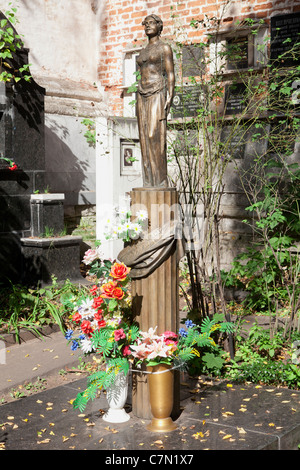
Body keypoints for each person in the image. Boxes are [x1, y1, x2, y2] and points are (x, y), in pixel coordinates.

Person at [136, 14, 175, 188]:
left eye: (151, 23)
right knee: (143, 137)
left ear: (159, 26)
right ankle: (148, 182)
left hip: (157, 91)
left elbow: (170, 74)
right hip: (141, 94)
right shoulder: (143, 51)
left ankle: (160, 181)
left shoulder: (164, 48)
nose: (147, 26)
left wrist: (170, 96)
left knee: (154, 135)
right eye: (146, 24)